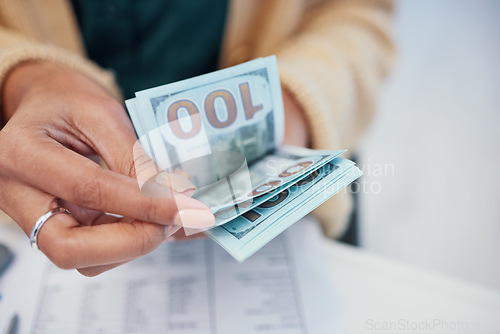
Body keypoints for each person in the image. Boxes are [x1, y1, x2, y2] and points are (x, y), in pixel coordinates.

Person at [0, 0, 394, 276]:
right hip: (40, 209)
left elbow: (356, 12)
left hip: (292, 196)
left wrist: (289, 106)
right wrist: (22, 79)